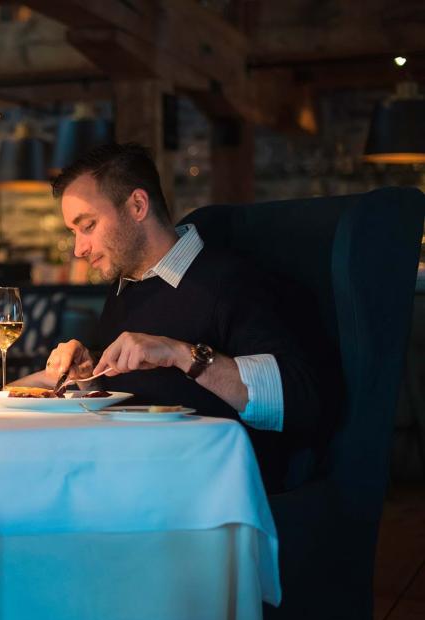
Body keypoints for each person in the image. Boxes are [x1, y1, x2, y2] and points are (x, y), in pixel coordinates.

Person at [17, 143, 322, 491]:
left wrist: (179, 354)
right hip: (128, 474)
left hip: (207, 489)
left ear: (137, 205)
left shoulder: (233, 281)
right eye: (74, 232)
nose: (78, 249)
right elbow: (136, 398)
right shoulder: (126, 289)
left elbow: (300, 399)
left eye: (88, 226)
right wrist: (90, 378)